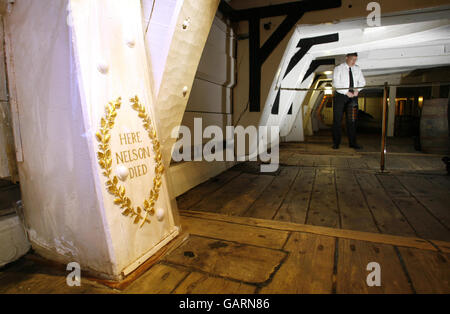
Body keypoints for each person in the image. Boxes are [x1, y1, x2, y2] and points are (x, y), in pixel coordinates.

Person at [332, 52, 366, 149]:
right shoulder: (338, 68)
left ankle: (353, 143)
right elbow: (336, 83)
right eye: (352, 59)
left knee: (352, 120)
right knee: (337, 120)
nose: (354, 62)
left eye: (355, 59)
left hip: (353, 97)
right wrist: (346, 92)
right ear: (347, 58)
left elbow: (362, 82)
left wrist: (357, 90)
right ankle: (336, 143)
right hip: (340, 96)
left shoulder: (357, 69)